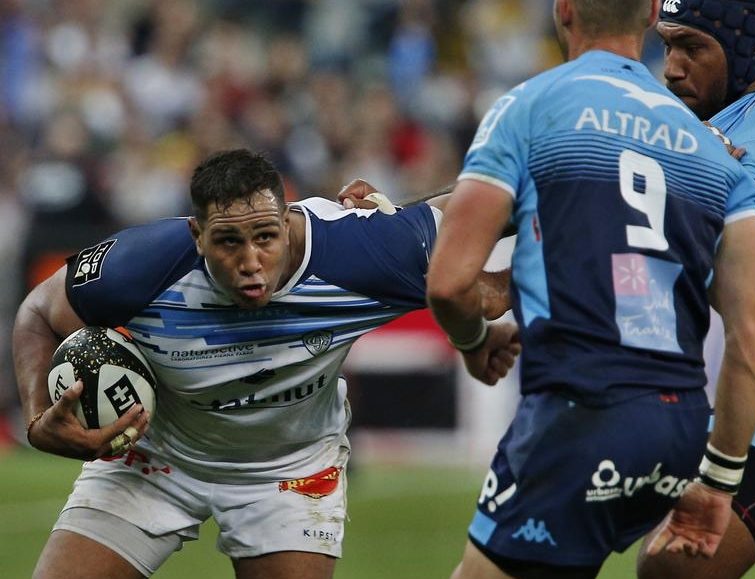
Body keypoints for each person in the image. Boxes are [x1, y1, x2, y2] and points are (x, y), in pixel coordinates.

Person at [14, 148, 519, 579]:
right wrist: (38, 419)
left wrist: (478, 327)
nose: (251, 262)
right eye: (228, 242)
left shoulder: (363, 253)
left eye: (265, 237)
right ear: (196, 234)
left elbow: (491, 213)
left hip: (291, 470)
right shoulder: (139, 266)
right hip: (154, 457)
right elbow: (38, 311)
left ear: (286, 219)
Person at [423, 0, 755, 577]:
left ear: (563, 10)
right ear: (651, 15)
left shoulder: (528, 107)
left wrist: (474, 340)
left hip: (580, 411)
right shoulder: (716, 153)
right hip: (680, 430)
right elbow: (753, 336)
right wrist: (719, 483)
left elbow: (447, 284)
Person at [638, 1, 755, 578]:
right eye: (667, 45)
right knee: (675, 564)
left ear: (745, 48)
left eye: (692, 48)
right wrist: (422, 218)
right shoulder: (734, 107)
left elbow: (685, 267)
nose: (672, 67)